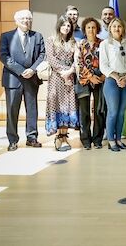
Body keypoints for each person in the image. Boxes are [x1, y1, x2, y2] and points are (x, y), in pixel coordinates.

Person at [0, 9, 45, 151]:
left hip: (31, 78)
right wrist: (21, 70)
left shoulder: (37, 36)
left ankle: (32, 138)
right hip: (13, 79)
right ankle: (12, 140)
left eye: (29, 19)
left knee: (32, 110)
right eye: (23, 18)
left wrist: (32, 69)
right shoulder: (6, 36)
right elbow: (4, 56)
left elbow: (42, 54)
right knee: (12, 110)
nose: (26, 21)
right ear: (16, 21)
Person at [99, 17, 126, 152]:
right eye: (114, 26)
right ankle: (111, 140)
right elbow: (103, 65)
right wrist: (116, 77)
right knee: (113, 112)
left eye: (119, 26)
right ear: (110, 28)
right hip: (112, 80)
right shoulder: (105, 44)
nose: (117, 29)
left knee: (121, 113)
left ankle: (119, 139)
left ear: (123, 29)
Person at [45, 16, 79, 151]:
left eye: (68, 26)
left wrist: (69, 72)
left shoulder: (73, 42)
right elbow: (51, 59)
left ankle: (64, 136)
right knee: (57, 104)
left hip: (70, 77)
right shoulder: (51, 40)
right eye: (64, 25)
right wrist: (63, 73)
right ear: (59, 26)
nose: (66, 28)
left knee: (68, 106)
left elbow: (77, 60)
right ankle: (58, 137)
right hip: (56, 78)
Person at [74, 17, 105, 149]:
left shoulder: (103, 43)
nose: (91, 30)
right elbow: (78, 63)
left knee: (99, 111)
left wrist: (103, 76)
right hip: (84, 81)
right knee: (84, 112)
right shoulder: (79, 44)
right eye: (88, 27)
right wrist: (90, 76)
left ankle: (97, 139)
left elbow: (108, 61)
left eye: (93, 27)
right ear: (84, 30)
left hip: (100, 80)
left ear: (97, 29)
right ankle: (86, 140)